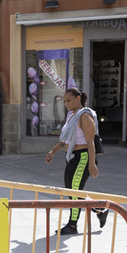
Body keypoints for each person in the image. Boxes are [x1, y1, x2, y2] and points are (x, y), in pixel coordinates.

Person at [45, 89, 108, 235]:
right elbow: (64, 139)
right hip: (72, 156)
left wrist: (91, 164)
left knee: (74, 192)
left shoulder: (85, 116)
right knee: (71, 191)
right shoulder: (72, 115)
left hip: (83, 158)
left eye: (69, 100)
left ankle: (72, 225)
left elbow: (90, 141)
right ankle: (99, 209)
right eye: (64, 101)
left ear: (78, 99)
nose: (66, 103)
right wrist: (52, 151)